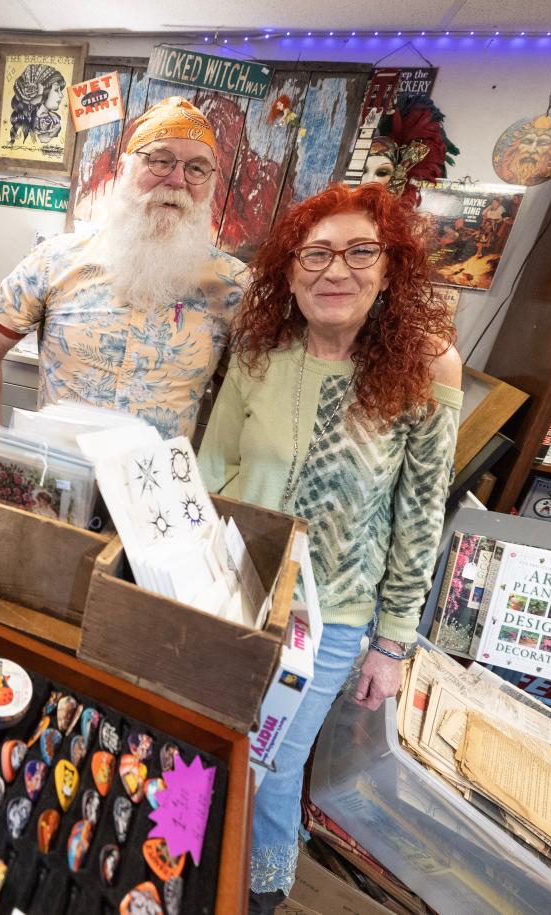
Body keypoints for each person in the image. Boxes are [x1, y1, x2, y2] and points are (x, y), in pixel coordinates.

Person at [196, 182, 462, 912]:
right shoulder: (257, 354)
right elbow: (214, 470)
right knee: (218, 743)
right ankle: (201, 872)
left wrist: (395, 642)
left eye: (359, 251)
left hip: (333, 618)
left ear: (389, 269)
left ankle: (259, 890)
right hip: (234, 594)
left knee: (271, 761)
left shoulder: (428, 368)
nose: (334, 269)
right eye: (315, 253)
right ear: (288, 271)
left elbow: (419, 515)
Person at [0, 96, 249, 439]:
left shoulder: (233, 286)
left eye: (196, 168)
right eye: (160, 160)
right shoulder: (55, 261)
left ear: (211, 183)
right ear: (125, 169)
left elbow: (240, 399)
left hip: (156, 487)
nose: (177, 179)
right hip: (55, 479)